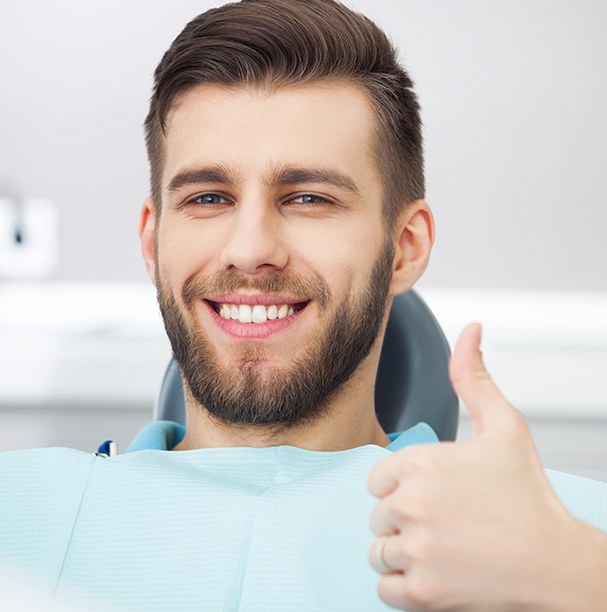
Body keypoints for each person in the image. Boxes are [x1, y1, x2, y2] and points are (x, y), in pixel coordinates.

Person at [1, 0, 606, 610]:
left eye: (308, 198)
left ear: (405, 247)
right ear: (153, 241)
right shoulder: (17, 509)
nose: (250, 250)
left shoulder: (567, 534)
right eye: (209, 198)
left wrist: (578, 579)